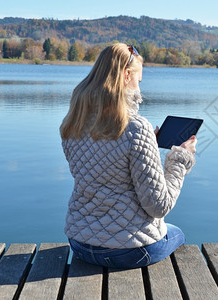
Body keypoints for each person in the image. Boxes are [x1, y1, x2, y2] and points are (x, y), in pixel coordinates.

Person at [60, 43, 197, 270]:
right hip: (129, 251)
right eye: (138, 81)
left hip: (80, 244)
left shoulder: (73, 123)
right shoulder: (136, 128)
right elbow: (159, 206)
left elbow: (106, 165)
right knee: (177, 234)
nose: (139, 88)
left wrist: (147, 145)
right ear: (126, 76)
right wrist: (180, 159)